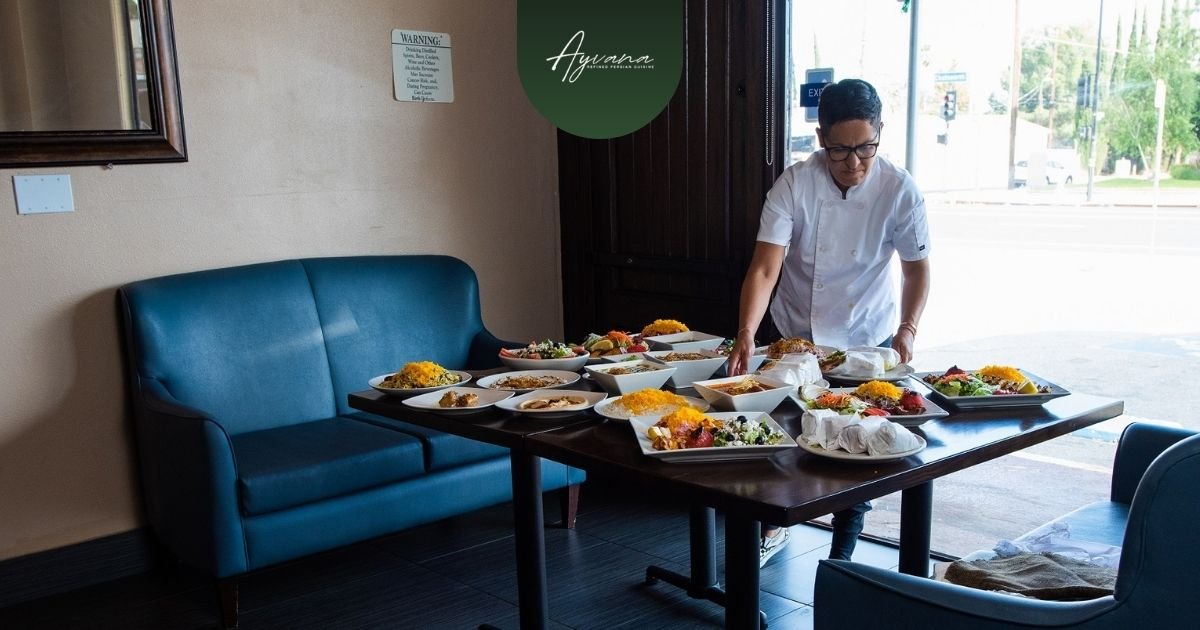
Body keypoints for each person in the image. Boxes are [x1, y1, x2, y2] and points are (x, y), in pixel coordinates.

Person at [727, 78, 931, 567]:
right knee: (782, 435)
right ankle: (772, 527)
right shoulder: (795, 183)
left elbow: (916, 268)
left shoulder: (899, 189)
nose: (854, 162)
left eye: (865, 148)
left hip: (865, 340)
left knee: (858, 445)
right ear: (821, 139)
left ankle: (841, 558)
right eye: (840, 150)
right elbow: (765, 267)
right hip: (795, 335)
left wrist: (907, 329)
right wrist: (746, 332)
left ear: (879, 133)